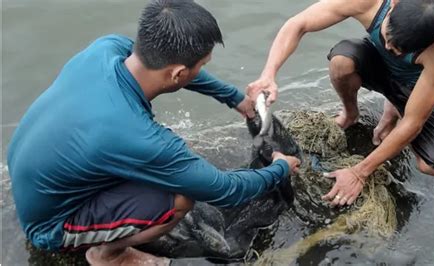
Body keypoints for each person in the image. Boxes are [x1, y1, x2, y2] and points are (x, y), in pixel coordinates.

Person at [7, 0, 300, 265]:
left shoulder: (105, 48)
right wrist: (278, 168)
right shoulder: (137, 135)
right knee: (180, 199)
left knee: (170, 162)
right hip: (50, 225)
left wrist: (235, 99)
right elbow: (226, 190)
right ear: (177, 74)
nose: (200, 71)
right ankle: (109, 255)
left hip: (39, 175)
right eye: (201, 66)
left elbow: (176, 72)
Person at [247, 0, 434, 207]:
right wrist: (268, 74)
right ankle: (350, 113)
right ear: (393, 5)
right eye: (387, 36)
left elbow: (413, 122)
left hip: (413, 86)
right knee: (341, 61)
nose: (389, 47)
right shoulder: (370, 2)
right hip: (372, 61)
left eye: (400, 49)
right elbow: (298, 24)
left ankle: (393, 106)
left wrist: (359, 173)